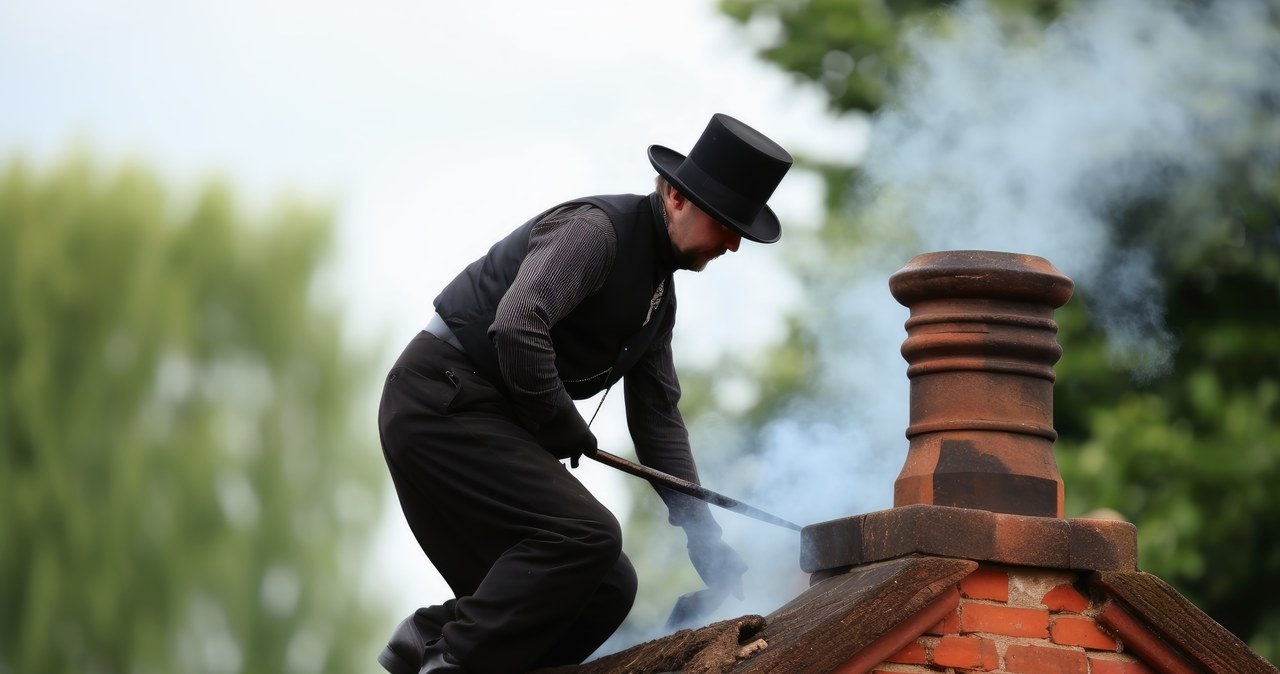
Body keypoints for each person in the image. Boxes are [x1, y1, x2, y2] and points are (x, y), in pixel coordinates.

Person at [376, 113, 793, 674]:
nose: (734, 244)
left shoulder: (658, 300)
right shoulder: (597, 231)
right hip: (440, 403)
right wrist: (557, 417)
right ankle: (443, 658)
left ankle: (429, 641)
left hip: (479, 416)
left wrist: (704, 536)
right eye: (725, 224)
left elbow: (658, 422)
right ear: (675, 197)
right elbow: (518, 321)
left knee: (607, 586)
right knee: (586, 534)